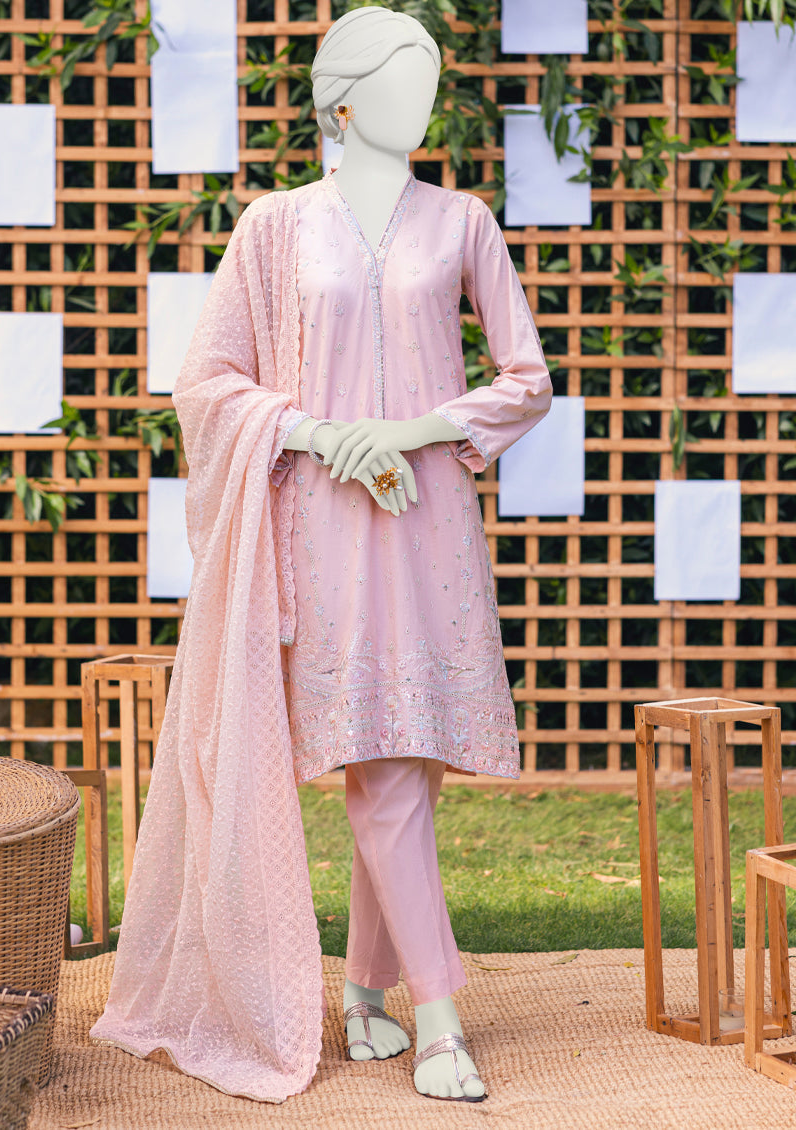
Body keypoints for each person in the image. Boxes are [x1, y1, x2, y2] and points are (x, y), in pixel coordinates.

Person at [90, 5, 551, 1106]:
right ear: (341, 104)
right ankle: (439, 1018)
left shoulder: (464, 222)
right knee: (380, 765)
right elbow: (208, 381)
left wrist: (408, 431)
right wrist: (315, 431)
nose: (421, 102)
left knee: (409, 762)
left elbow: (525, 380)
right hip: (324, 526)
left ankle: (363, 992)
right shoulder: (276, 226)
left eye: (428, 81)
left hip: (429, 517)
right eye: (399, 82)